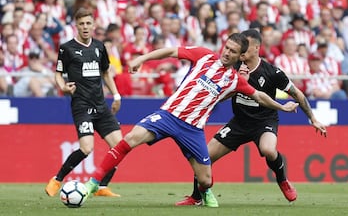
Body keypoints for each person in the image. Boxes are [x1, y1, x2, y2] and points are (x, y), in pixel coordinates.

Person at [83, 32, 299, 207]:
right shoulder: (204, 55)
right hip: (169, 115)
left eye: (233, 52)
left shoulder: (235, 80)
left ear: (240, 56)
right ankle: (93, 183)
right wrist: (142, 58)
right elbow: (170, 51)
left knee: (205, 180)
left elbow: (259, 96)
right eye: (226, 48)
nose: (226, 53)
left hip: (193, 129)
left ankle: (204, 194)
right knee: (131, 138)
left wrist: (282, 106)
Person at [175, 29, 327, 206]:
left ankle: (282, 180)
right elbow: (221, 96)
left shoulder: (272, 72)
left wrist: (313, 119)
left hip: (264, 122)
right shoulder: (234, 67)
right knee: (205, 157)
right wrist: (237, 84)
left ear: (256, 48)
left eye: (245, 46)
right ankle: (196, 197)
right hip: (239, 122)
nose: (241, 49)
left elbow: (297, 94)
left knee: (268, 150)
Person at [45, 8, 123, 198]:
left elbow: (106, 73)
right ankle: (56, 179)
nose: (85, 27)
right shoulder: (67, 48)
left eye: (88, 23)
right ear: (76, 26)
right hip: (81, 105)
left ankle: (101, 186)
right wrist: (63, 86)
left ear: (94, 25)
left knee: (120, 146)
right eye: (81, 24)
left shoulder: (99, 47)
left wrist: (117, 95)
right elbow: (58, 73)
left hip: (101, 105)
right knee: (87, 148)